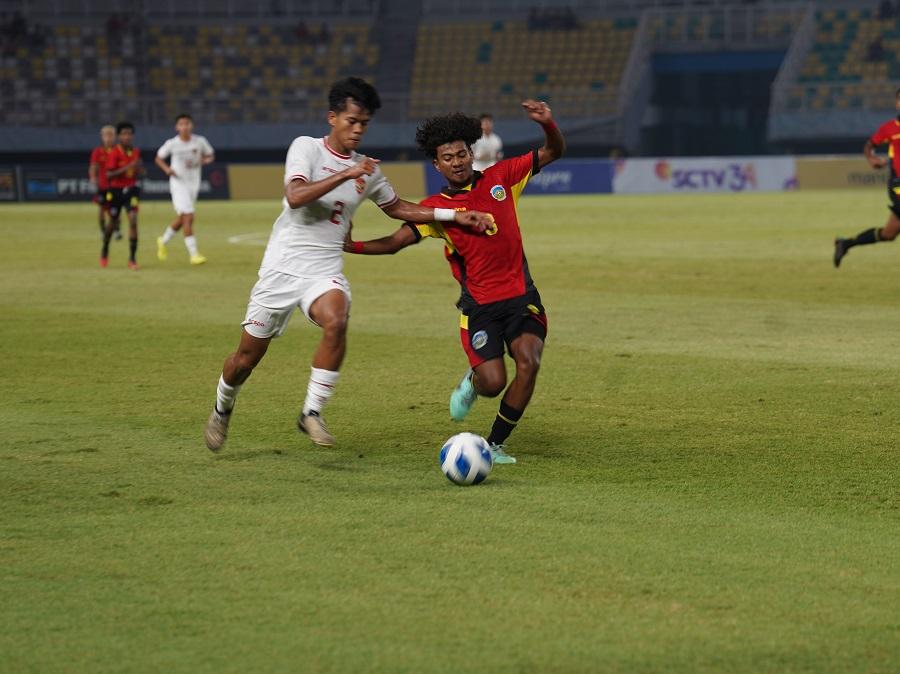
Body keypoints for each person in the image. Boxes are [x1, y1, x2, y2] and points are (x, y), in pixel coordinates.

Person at [204, 77, 493, 452]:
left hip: (323, 270)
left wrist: (455, 216)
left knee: (337, 318)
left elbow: (399, 209)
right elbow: (295, 196)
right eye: (351, 121)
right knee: (244, 360)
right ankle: (222, 409)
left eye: (364, 124)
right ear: (332, 117)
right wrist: (346, 173)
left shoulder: (367, 169)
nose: (358, 129)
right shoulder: (306, 148)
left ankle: (311, 412)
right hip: (281, 268)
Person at [344, 101, 565, 464]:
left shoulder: (502, 177)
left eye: (462, 153)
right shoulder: (435, 209)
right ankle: (474, 381)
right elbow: (397, 243)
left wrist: (547, 123)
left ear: (471, 153)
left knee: (529, 361)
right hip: (480, 308)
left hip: (521, 298)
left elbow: (553, 150)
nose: (457, 162)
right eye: (448, 157)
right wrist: (352, 245)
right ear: (437, 164)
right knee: (492, 383)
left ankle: (494, 444)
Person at [834, 88, 900, 267]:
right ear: (897, 103)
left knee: (888, 234)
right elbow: (869, 145)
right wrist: (871, 158)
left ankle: (845, 243)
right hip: (898, 184)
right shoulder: (889, 128)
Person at [154, 114, 215, 266]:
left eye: (187, 123)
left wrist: (204, 160)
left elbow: (210, 155)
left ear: (191, 126)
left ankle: (163, 240)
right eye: (181, 124)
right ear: (177, 127)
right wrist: (167, 169)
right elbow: (158, 158)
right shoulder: (172, 143)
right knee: (189, 216)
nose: (184, 126)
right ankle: (194, 255)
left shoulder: (200, 141)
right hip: (178, 183)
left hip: (193, 183)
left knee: (183, 218)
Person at [102, 121, 143, 270]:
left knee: (133, 220)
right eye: (124, 134)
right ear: (119, 136)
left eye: (129, 134)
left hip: (131, 190)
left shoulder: (136, 152)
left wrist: (139, 168)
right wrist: (127, 167)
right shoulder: (114, 153)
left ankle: (132, 259)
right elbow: (109, 175)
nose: (127, 137)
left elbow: (139, 171)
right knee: (112, 222)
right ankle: (105, 247)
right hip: (115, 191)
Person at [88, 124, 117, 239]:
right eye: (106, 136)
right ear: (102, 137)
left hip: (116, 186)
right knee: (102, 209)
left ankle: (116, 230)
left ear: (114, 137)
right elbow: (93, 166)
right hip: (103, 185)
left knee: (115, 209)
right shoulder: (98, 151)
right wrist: (93, 177)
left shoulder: (117, 150)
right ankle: (102, 230)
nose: (109, 138)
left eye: (111, 135)